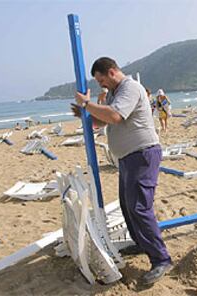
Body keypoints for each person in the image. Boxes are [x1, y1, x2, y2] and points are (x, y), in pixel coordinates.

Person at [71, 57, 172, 285]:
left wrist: (88, 104)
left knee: (139, 207)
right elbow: (106, 122)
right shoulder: (116, 93)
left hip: (142, 154)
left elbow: (115, 115)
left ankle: (161, 259)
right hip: (128, 158)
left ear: (112, 71)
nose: (101, 85)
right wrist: (85, 114)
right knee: (127, 205)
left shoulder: (130, 88)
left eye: (101, 79)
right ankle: (141, 242)